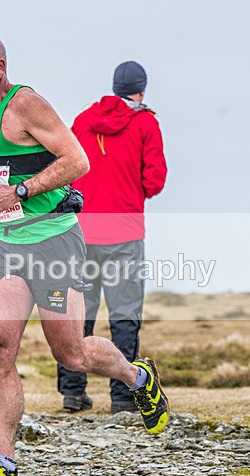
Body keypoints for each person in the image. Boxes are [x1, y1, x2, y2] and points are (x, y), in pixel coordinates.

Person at [0, 35, 170, 476]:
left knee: (71, 354)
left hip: (54, 243)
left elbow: (77, 160)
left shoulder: (27, 105)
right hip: (6, 246)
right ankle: (3, 462)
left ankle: (137, 377)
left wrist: (22, 193)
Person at [57, 61, 168, 414]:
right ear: (141, 89)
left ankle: (72, 393)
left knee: (78, 315)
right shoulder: (146, 123)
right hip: (125, 231)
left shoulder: (83, 120)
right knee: (125, 315)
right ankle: (123, 397)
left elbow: (64, 169)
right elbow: (154, 181)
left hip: (79, 233)